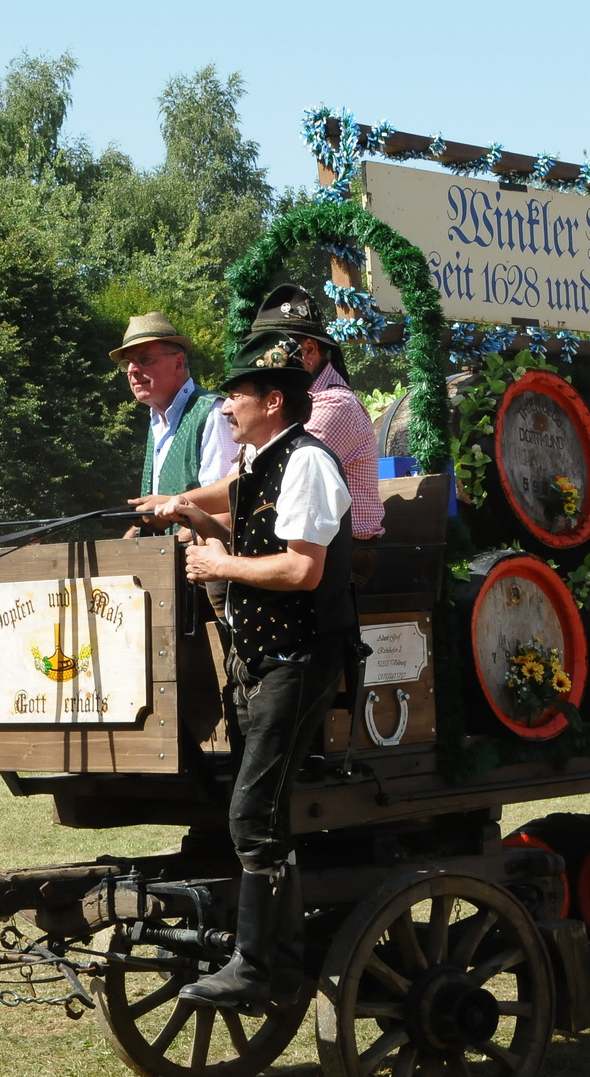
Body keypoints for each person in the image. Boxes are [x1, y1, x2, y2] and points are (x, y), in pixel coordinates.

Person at [165, 329, 356, 1013]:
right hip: (261, 661)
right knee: (259, 811)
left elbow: (303, 569)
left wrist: (217, 564)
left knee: (253, 811)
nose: (223, 408)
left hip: (297, 659)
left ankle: (257, 964)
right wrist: (191, 513)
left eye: (235, 395)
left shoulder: (306, 463)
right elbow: (243, 532)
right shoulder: (262, 464)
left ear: (272, 401)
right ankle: (278, 964)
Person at [141, 285, 385, 547]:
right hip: (293, 544)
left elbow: (260, 479)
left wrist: (177, 503)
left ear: (310, 351)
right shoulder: (276, 407)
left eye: (273, 351)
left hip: (344, 556)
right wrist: (193, 520)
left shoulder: (334, 405)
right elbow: (245, 478)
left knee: (209, 572)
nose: (259, 359)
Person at [110, 312, 240, 534]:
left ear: (178, 363)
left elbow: (226, 507)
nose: (132, 370)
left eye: (144, 359)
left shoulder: (213, 412)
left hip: (200, 560)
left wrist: (177, 546)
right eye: (127, 363)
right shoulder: (156, 419)